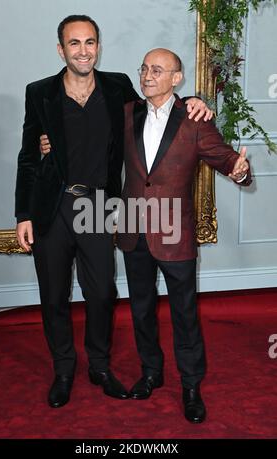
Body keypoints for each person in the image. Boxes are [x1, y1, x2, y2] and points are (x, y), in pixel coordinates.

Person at [16, 14, 212, 409]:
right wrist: (23, 213)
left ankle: (100, 366)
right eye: (74, 43)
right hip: (53, 206)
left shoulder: (119, 86)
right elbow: (27, 157)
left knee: (102, 293)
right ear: (61, 49)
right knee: (53, 296)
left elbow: (158, 106)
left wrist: (194, 101)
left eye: (90, 42)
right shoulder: (39, 92)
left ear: (98, 47)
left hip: (100, 205)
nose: (83, 50)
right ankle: (64, 370)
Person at [115, 48, 251, 424]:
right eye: (143, 67)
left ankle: (191, 386)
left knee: (184, 314)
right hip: (133, 232)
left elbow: (222, 156)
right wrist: (48, 141)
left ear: (176, 78)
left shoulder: (193, 118)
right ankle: (151, 373)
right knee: (141, 310)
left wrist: (238, 171)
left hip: (175, 234)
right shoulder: (127, 113)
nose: (146, 75)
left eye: (156, 70)